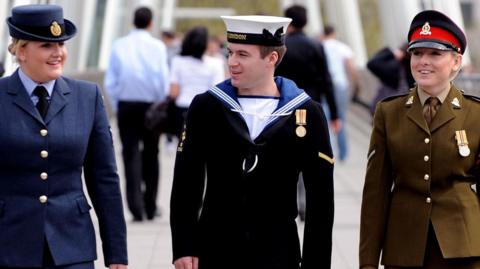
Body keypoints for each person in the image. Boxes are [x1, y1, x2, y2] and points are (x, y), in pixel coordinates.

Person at [170, 15, 334, 269]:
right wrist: (183, 246)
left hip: (278, 253)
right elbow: (186, 180)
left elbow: (321, 199)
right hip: (215, 251)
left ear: (272, 59)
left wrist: (316, 263)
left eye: (243, 55)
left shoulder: (306, 113)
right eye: (230, 52)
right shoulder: (206, 106)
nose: (231, 62)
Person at [0, 4, 127, 268]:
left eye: (61, 45)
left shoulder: (87, 96)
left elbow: (104, 178)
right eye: (46, 46)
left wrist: (117, 254)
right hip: (9, 245)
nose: (58, 53)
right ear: (21, 50)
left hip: (72, 247)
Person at [360, 10, 480, 269]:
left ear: (456, 61)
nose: (423, 61)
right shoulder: (388, 112)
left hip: (464, 249)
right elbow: (375, 194)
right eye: (417, 53)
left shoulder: (476, 114)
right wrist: (367, 263)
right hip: (404, 248)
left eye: (434, 54)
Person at [275, 4, 339, 221]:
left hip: (282, 106)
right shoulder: (315, 46)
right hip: (311, 107)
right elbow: (326, 80)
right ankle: (304, 204)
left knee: (284, 156)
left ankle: (288, 202)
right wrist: (336, 115)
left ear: (288, 22)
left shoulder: (280, 47)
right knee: (309, 157)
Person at [104, 6, 169, 221]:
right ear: (151, 23)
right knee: (152, 154)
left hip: (126, 105)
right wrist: (160, 103)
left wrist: (117, 103)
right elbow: (162, 79)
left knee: (129, 154)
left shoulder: (119, 45)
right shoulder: (157, 46)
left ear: (133, 21)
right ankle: (150, 206)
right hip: (151, 105)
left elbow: (111, 81)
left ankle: (135, 208)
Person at [169, 26, 225, 137]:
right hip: (206, 111)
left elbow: (173, 93)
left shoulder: (178, 61)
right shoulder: (216, 63)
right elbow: (217, 92)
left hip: (183, 109)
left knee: (182, 147)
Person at [322, 25, 359, 161]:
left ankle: (328, 152)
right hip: (341, 86)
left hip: (325, 87)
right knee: (340, 118)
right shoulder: (342, 47)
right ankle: (343, 153)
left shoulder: (320, 46)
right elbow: (351, 67)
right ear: (334, 33)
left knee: (324, 120)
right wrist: (356, 85)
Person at [367, 43, 415, 116]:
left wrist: (390, 52)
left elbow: (372, 64)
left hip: (386, 111)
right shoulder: (418, 72)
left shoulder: (395, 68)